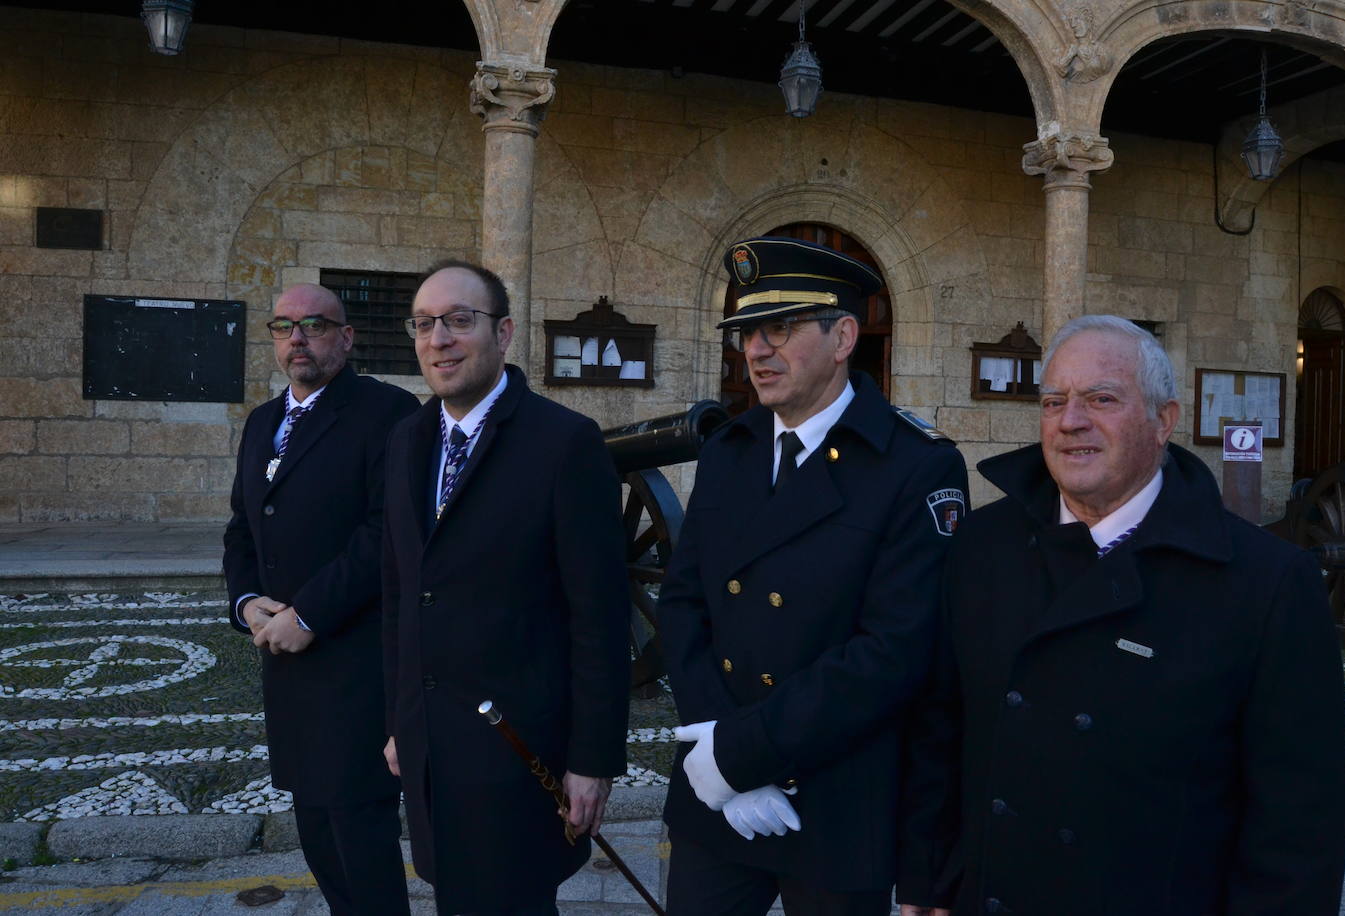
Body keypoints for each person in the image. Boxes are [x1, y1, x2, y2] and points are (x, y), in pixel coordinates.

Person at [899, 314, 1345, 915]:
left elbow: (1300, 819)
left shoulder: (1265, 582)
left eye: (1101, 399)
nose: (1070, 422)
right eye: (1053, 401)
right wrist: (929, 879)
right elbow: (940, 724)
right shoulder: (982, 546)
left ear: (1164, 420)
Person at [659, 236, 969, 916]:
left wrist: (745, 753)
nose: (757, 351)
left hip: (835, 801)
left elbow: (894, 652)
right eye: (747, 332)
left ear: (844, 336)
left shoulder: (914, 466)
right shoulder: (729, 453)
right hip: (718, 794)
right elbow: (682, 607)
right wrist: (720, 760)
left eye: (780, 329)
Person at [379, 260, 630, 916]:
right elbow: (400, 594)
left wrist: (592, 759)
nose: (440, 339)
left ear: (504, 332)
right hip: (431, 748)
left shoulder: (564, 444)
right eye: (425, 324)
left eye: (461, 321)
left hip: (516, 755)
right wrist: (400, 720)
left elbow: (599, 618)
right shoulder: (406, 441)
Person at [223, 283, 418, 915]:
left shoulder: (386, 412)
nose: (297, 339)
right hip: (283, 661)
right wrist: (248, 601)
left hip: (353, 659)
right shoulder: (263, 421)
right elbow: (240, 526)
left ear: (347, 336)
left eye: (314, 325)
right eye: (283, 327)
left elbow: (383, 531)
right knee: (315, 827)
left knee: (359, 831)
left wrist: (308, 613)